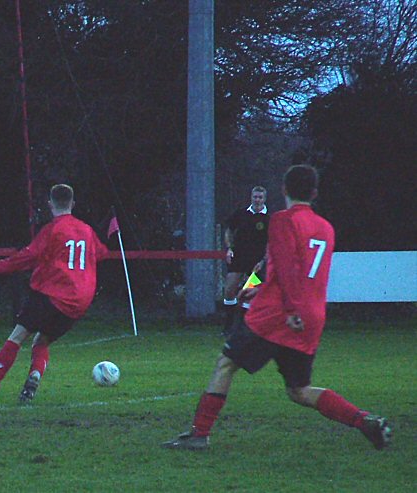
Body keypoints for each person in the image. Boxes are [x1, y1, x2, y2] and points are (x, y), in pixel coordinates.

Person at [163, 165, 392, 451]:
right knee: (299, 390)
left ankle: (199, 434)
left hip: (277, 314)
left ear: (283, 190)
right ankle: (363, 420)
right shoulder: (326, 228)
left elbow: (283, 266)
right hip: (312, 315)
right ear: (314, 193)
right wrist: (263, 289)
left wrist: (288, 307)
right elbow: (303, 272)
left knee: (226, 363)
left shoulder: (282, 220)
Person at [0, 184, 110, 403]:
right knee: (41, 342)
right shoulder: (87, 230)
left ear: (50, 204)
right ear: (73, 204)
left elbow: (28, 256)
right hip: (79, 302)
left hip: (53, 294)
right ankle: (33, 377)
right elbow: (101, 253)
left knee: (17, 335)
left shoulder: (53, 229)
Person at [222, 186, 269, 336]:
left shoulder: (269, 218)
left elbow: (272, 242)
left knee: (249, 294)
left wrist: (263, 260)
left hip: (256, 262)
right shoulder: (241, 214)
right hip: (239, 258)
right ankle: (228, 326)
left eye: (260, 197)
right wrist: (229, 248)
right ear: (251, 197)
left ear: (264, 199)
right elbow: (229, 230)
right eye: (255, 197)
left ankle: (242, 328)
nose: (257, 200)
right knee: (229, 290)